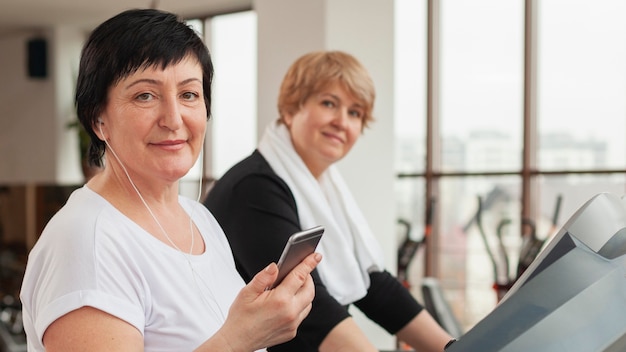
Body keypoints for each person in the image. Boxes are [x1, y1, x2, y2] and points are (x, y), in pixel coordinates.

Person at [19, 9, 321, 352]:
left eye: (189, 94)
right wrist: (240, 338)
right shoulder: (86, 241)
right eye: (145, 95)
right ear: (98, 119)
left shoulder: (199, 220)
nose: (174, 119)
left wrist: (258, 321)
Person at [204, 51, 454, 351]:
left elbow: (373, 286)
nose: (341, 122)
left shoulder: (324, 189)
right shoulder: (255, 187)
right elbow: (314, 310)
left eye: (355, 113)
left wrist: (455, 347)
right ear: (291, 108)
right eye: (328, 103)